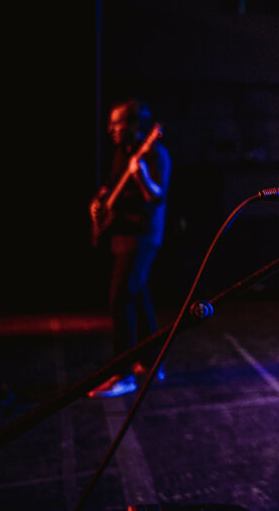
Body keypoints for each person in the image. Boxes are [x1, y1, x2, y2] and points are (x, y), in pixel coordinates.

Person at [88, 99, 171, 398]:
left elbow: (157, 197)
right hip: (122, 236)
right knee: (137, 295)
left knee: (120, 298)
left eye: (117, 123)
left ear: (136, 126)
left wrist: (142, 175)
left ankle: (122, 374)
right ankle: (151, 361)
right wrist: (98, 203)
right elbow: (110, 187)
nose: (110, 129)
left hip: (143, 237)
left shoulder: (156, 153)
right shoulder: (121, 154)